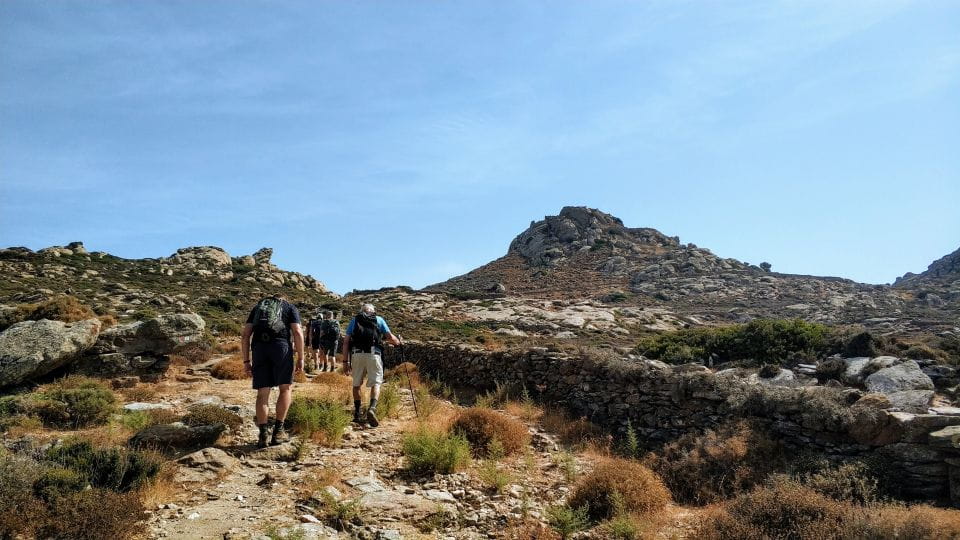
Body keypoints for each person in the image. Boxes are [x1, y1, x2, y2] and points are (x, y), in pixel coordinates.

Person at [241, 295, 304, 448]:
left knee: (262, 393)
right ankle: (278, 432)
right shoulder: (289, 307)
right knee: (285, 388)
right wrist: (301, 358)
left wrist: (246, 361)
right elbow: (297, 331)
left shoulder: (258, 307)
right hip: (281, 347)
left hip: (259, 349)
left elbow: (245, 335)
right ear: (284, 299)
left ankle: (263, 435)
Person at [342, 303, 401, 427]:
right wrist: (398, 342)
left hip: (357, 354)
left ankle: (357, 413)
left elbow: (346, 342)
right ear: (373, 311)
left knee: (356, 385)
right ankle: (372, 408)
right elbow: (390, 337)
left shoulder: (354, 320)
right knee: (376, 383)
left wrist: (345, 362)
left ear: (362, 311)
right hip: (374, 354)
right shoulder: (379, 320)